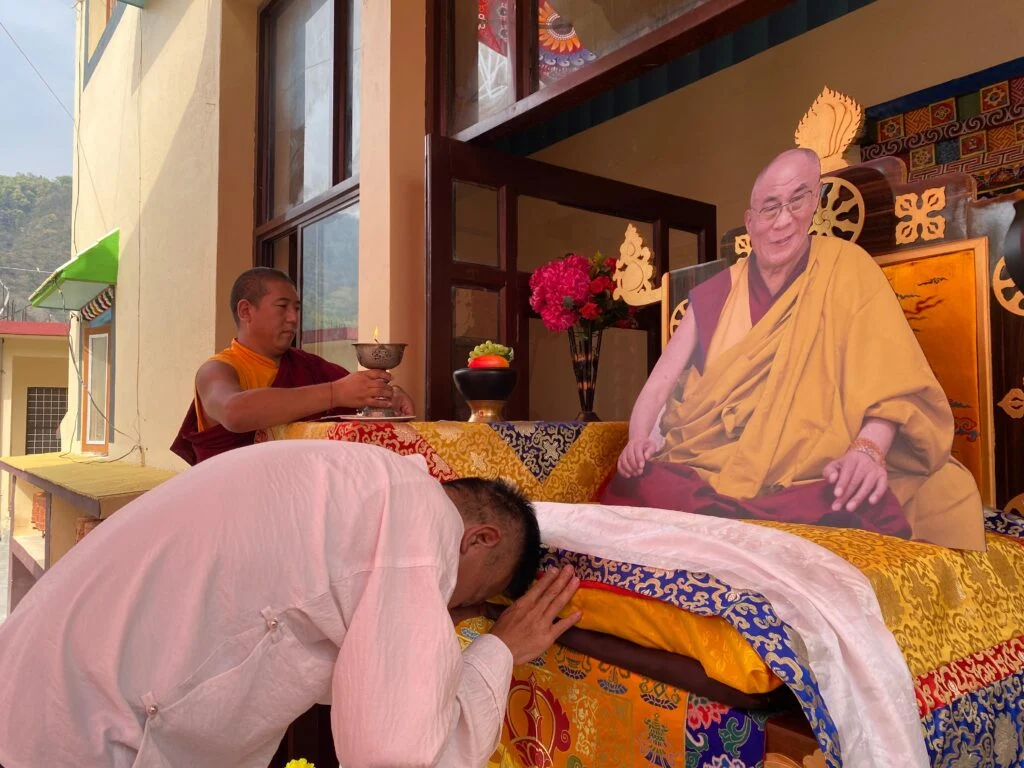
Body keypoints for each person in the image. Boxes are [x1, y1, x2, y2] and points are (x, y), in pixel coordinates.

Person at [0, 440, 580, 767]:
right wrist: (498, 650)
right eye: (467, 596)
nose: (449, 614)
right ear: (479, 539)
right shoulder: (421, 518)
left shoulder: (356, 478)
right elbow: (395, 753)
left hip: (46, 672)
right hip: (84, 725)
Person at [603, 148, 985, 551]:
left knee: (943, 493)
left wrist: (867, 451)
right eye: (770, 207)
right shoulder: (714, 293)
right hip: (709, 464)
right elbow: (659, 384)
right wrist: (638, 439)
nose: (783, 221)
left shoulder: (847, 269)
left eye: (797, 200)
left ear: (815, 202)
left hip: (814, 469)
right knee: (638, 481)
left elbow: (893, 384)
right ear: (750, 221)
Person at [171, 267, 415, 465]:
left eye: (297, 308)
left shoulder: (308, 366)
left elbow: (354, 395)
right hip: (234, 495)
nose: (293, 318)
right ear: (246, 311)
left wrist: (386, 395)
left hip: (300, 492)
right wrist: (335, 393)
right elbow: (234, 412)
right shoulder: (217, 370)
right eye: (282, 307)